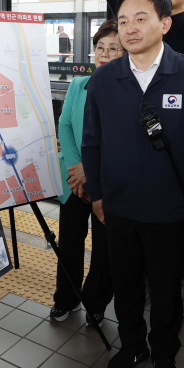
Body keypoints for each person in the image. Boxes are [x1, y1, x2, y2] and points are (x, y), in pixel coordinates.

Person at [82, 0, 184, 368]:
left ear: (165, 23)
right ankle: (133, 346)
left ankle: (165, 353)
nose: (129, 29)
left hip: (171, 209)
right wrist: (97, 194)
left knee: (167, 289)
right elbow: (91, 141)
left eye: (141, 19)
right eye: (123, 21)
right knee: (127, 284)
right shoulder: (104, 79)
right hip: (119, 208)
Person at [49, 20, 122, 326]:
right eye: (99, 48)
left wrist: (88, 171)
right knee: (69, 242)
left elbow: (121, 141)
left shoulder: (128, 90)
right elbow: (64, 125)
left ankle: (95, 302)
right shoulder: (79, 84)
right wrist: (76, 169)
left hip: (106, 183)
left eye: (113, 48)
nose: (104, 54)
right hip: (74, 180)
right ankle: (65, 298)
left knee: (105, 249)